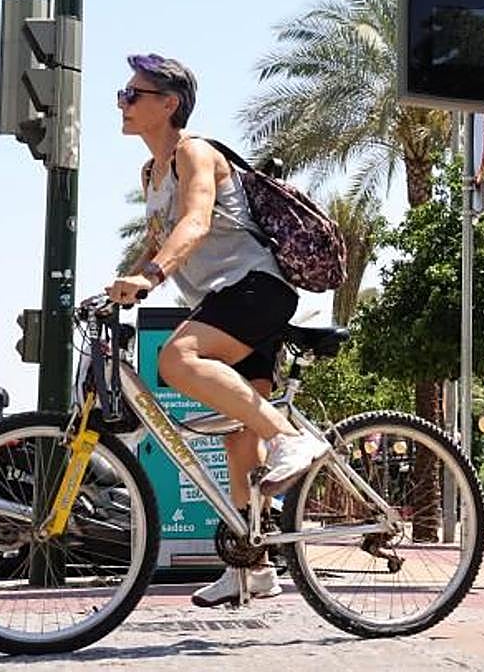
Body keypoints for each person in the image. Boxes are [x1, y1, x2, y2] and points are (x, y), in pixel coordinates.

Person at [106, 53, 329, 607]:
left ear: (168, 104)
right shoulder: (151, 172)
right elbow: (159, 240)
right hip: (225, 300)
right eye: (123, 94)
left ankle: (293, 439)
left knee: (177, 360)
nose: (123, 103)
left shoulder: (193, 152)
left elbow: (196, 223)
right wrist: (124, 279)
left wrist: (152, 277)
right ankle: (253, 568)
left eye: (133, 94)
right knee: (237, 441)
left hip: (256, 291)